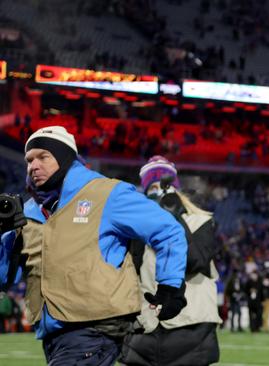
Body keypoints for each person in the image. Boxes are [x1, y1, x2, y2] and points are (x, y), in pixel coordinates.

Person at [0, 126, 188, 365]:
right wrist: (4, 234)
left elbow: (168, 229)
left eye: (43, 157)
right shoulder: (28, 210)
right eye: (29, 160)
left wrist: (170, 286)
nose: (33, 166)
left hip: (95, 328)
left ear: (65, 157)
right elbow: (5, 276)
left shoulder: (107, 193)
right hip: (54, 333)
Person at [120, 155, 221, 366]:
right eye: (152, 187)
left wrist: (173, 219)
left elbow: (195, 261)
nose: (158, 192)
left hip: (189, 329)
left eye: (163, 186)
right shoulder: (137, 228)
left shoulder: (200, 221)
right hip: (145, 328)